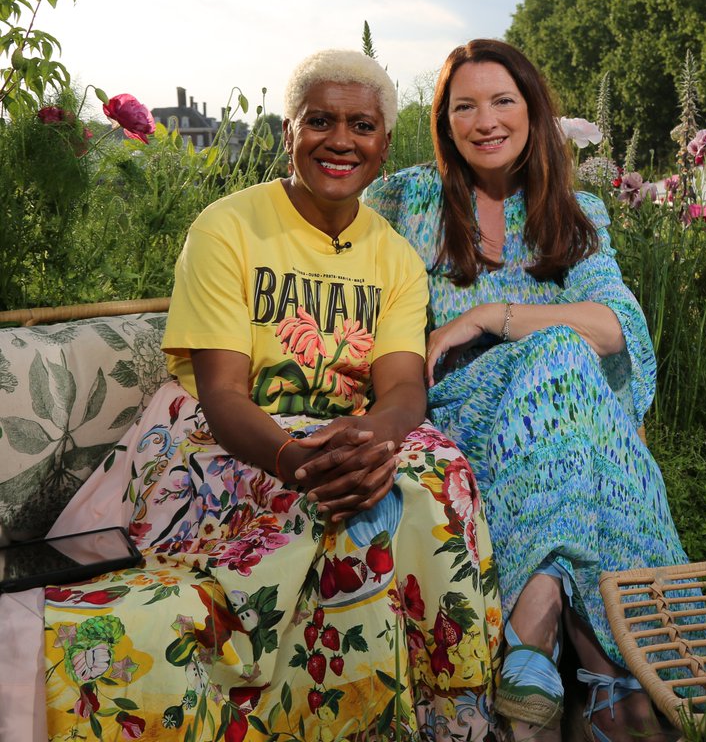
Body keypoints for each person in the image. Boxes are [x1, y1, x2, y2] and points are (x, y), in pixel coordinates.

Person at [0, 50, 499, 741]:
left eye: (362, 125)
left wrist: (372, 443)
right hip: (224, 436)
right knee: (328, 506)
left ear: (385, 141)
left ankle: (450, 720)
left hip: (341, 435)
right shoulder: (228, 227)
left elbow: (404, 388)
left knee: (437, 472)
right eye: (320, 120)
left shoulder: (393, 257)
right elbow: (224, 395)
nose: (341, 140)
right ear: (289, 130)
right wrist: (296, 460)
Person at [364, 38, 686, 742]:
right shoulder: (407, 197)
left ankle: (533, 634)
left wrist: (487, 316)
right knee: (572, 377)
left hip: (557, 412)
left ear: (533, 111)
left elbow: (616, 326)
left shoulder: (575, 211)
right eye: (465, 106)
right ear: (445, 123)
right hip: (458, 410)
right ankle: (614, 675)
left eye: (502, 101)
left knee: (565, 362)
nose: (486, 120)